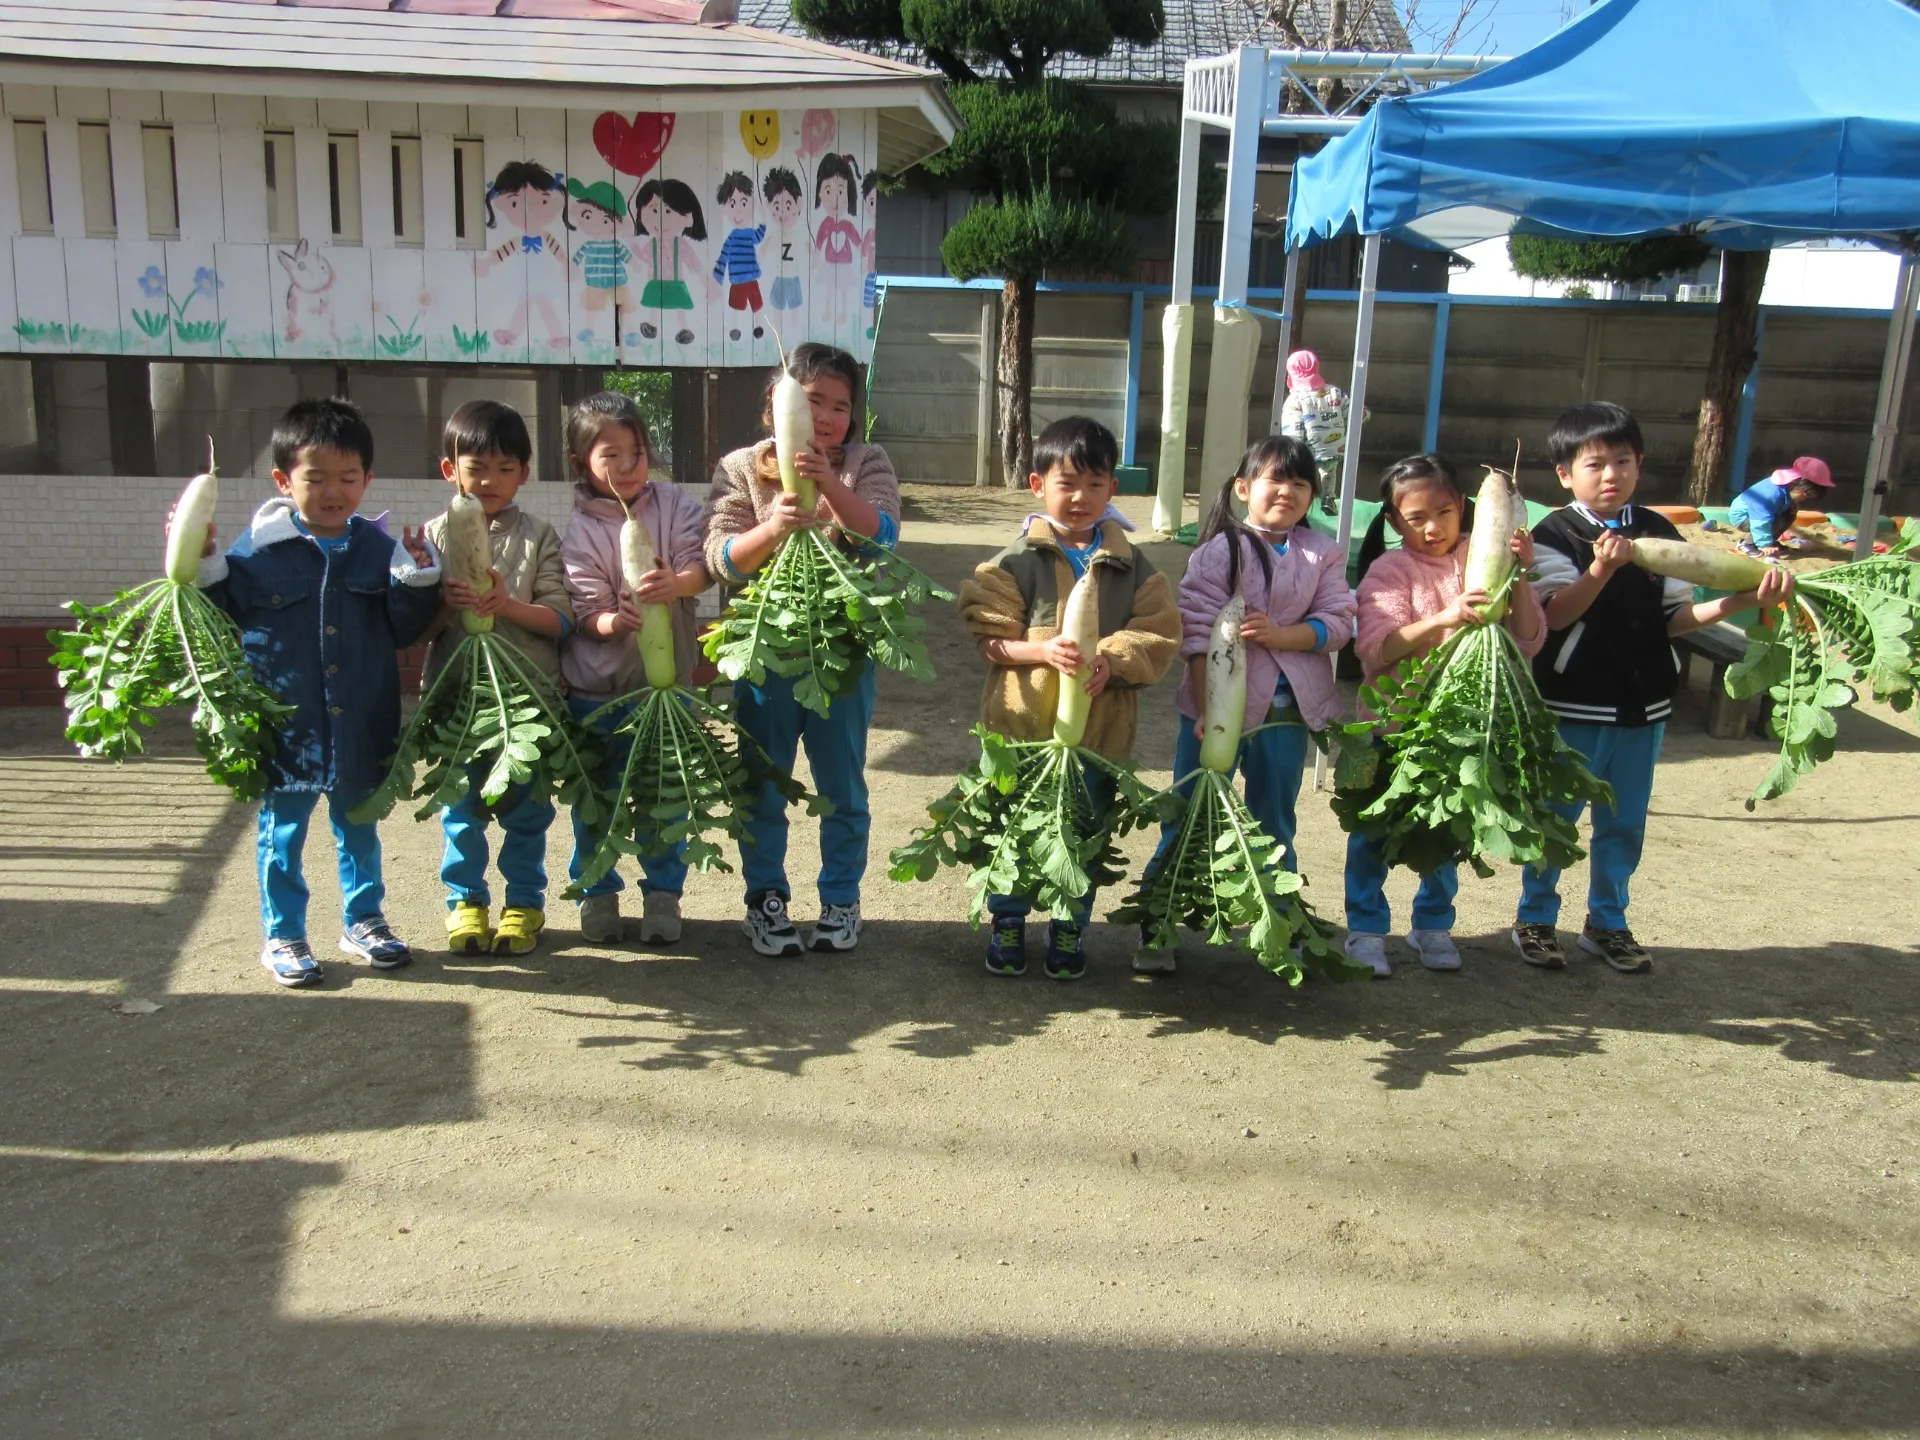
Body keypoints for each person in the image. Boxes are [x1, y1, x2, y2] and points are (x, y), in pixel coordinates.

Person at [1515, 402, 1795, 973]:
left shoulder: (1658, 531)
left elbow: (1677, 619)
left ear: (1640, 466)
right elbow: (1557, 617)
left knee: (1624, 822)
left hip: (1644, 702)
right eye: (1595, 465)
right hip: (1573, 702)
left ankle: (1607, 922)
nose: (1611, 475)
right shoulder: (1552, 534)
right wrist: (1601, 570)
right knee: (1557, 815)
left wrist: (1745, 601)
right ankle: (1536, 917)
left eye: (1623, 461)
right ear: (1565, 474)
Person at [193, 398, 443, 988]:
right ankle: (282, 933)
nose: (334, 491)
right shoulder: (257, 553)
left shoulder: (379, 551)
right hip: (288, 727)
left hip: (361, 720)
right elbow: (219, 617)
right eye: (317, 478)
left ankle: (364, 921)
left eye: (348, 478)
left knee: (359, 825)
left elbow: (405, 630)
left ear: (367, 480)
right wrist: (201, 565)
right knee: (284, 832)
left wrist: (417, 577)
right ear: (284, 480)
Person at [961, 417, 1180, 980]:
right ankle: (1007, 920)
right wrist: (1042, 653)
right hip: (1022, 733)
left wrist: (1112, 658)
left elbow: (1159, 631)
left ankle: (1068, 922)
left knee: (1083, 832)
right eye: (1067, 483)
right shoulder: (1014, 561)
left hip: (1097, 739)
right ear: (1038, 485)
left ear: (1112, 489)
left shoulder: (1134, 566)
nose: (1080, 497)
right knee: (1014, 827)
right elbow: (990, 641)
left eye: (1094, 483)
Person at [704, 343, 899, 957]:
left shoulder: (866, 461)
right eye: (814, 401)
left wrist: (827, 488)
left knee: (841, 783)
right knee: (763, 781)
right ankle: (766, 901)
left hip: (841, 648)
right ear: (776, 407)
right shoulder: (741, 467)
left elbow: (883, 537)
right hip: (764, 649)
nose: (828, 417)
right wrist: (774, 527)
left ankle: (842, 900)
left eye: (841, 406)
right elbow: (719, 557)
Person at [1132, 435, 1353, 974]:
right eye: (1275, 480)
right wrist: (1210, 708)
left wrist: (1286, 635)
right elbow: (1197, 633)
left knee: (1274, 820)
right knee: (1188, 817)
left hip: (1286, 712)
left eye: (1301, 484)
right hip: (1213, 713)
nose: (1288, 492)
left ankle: (1278, 920)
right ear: (1243, 488)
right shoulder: (1219, 550)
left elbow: (1340, 622)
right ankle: (1158, 925)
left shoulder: (1322, 552)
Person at [1347, 453, 1545, 977]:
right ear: (1393, 521)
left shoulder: (1482, 557)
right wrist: (1445, 617)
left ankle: (1432, 924)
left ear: (1464, 507)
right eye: (1416, 519)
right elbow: (1376, 650)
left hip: (1462, 727)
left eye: (1444, 511)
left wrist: (1519, 575)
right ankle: (1365, 929)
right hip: (1393, 723)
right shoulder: (1389, 571)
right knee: (1373, 832)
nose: (1433, 528)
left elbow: (1529, 639)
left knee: (1448, 830)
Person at [422, 400, 572, 958]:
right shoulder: (434, 536)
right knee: (460, 812)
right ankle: (465, 902)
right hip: (458, 700)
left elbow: (560, 620)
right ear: (450, 470)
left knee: (527, 812)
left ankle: (524, 902)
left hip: (527, 704)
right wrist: (443, 602)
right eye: (476, 467)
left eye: (505, 468)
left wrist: (505, 605)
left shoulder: (539, 536)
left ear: (524, 475)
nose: (489, 480)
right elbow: (419, 630)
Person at [561, 391, 709, 945]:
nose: (627, 466)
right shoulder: (578, 532)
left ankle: (663, 894)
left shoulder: (674, 505)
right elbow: (581, 613)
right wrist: (612, 622)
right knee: (596, 800)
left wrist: (679, 584)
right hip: (598, 693)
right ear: (581, 463)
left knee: (664, 796)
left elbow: (702, 566)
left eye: (637, 451)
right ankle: (597, 893)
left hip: (664, 690)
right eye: (610, 455)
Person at [1277, 350, 1351, 512]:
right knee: (1329, 472)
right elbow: (1354, 413)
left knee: (1304, 476)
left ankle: (1305, 502)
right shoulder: (1334, 392)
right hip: (1334, 447)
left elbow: (1293, 428)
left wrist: (1291, 448)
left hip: (1308, 450)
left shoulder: (1295, 399)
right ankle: (1328, 498)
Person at [1728, 456, 1832, 557]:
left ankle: (1769, 541)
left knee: (1789, 514)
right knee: (1773, 521)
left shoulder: (1786, 487)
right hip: (1743, 517)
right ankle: (1747, 545)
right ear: (1797, 483)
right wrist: (1765, 545)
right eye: (1805, 494)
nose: (1804, 499)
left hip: (1759, 515)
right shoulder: (1770, 494)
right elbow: (1760, 521)